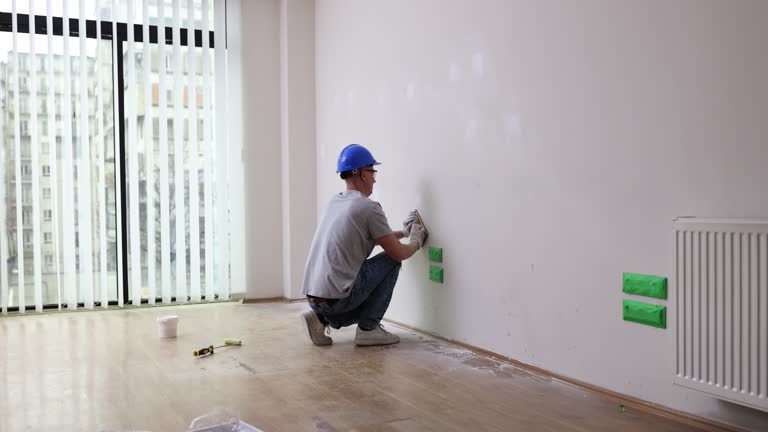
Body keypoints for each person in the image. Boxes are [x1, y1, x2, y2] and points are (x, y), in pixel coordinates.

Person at [300, 144, 428, 347]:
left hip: (315, 299)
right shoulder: (368, 208)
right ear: (361, 174)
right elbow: (397, 253)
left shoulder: (335, 203)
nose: (375, 178)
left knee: (359, 278)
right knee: (391, 261)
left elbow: (372, 238)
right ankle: (369, 329)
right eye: (372, 171)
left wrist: (404, 232)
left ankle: (320, 319)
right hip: (336, 301)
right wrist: (415, 241)